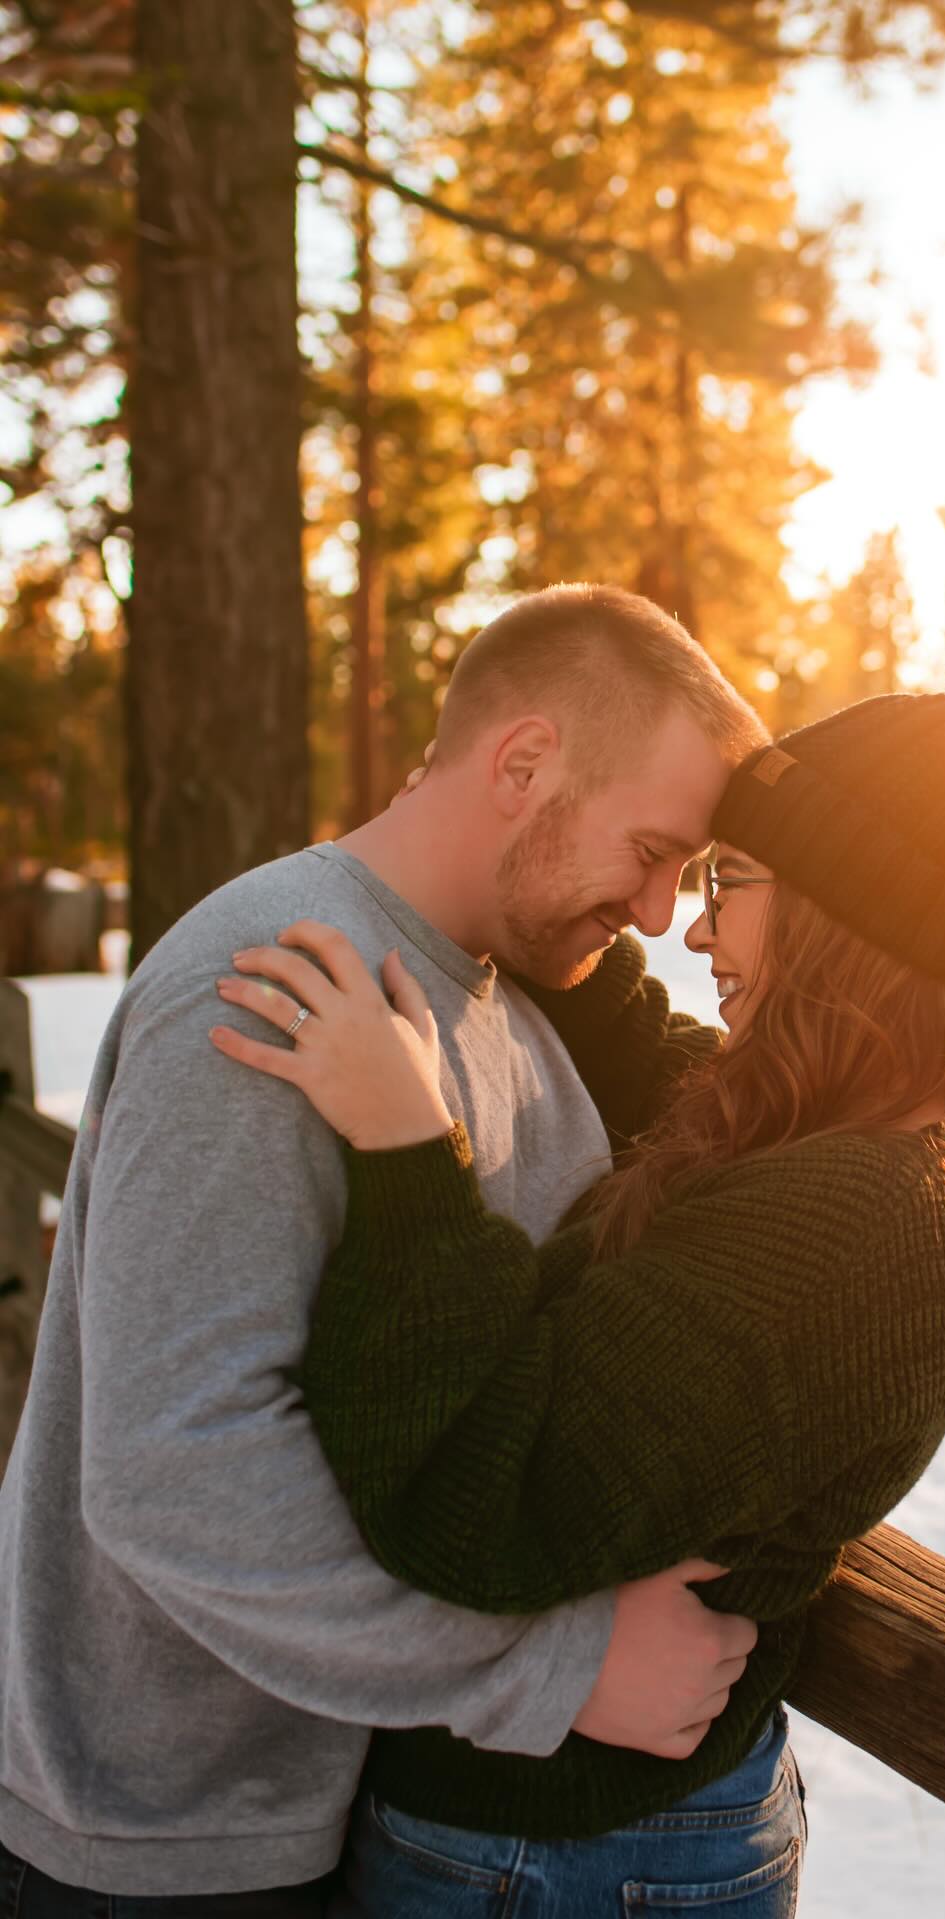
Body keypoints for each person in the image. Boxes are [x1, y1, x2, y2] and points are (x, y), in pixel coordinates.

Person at [211, 632, 945, 1918]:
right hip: (568, 1841)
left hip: (557, 1864)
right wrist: (513, 846)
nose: (691, 923)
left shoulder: (855, 1222)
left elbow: (480, 1505)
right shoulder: (828, 1134)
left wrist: (407, 1146)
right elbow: (647, 1051)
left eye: (729, 882)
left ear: (840, 911)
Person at [0, 585, 769, 1912]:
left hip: (314, 1799)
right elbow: (174, 1468)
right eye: (651, 849)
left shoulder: (499, 1001)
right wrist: (555, 1658)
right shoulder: (273, 977)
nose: (656, 914)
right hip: (159, 1840)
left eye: (690, 874)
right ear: (522, 763)